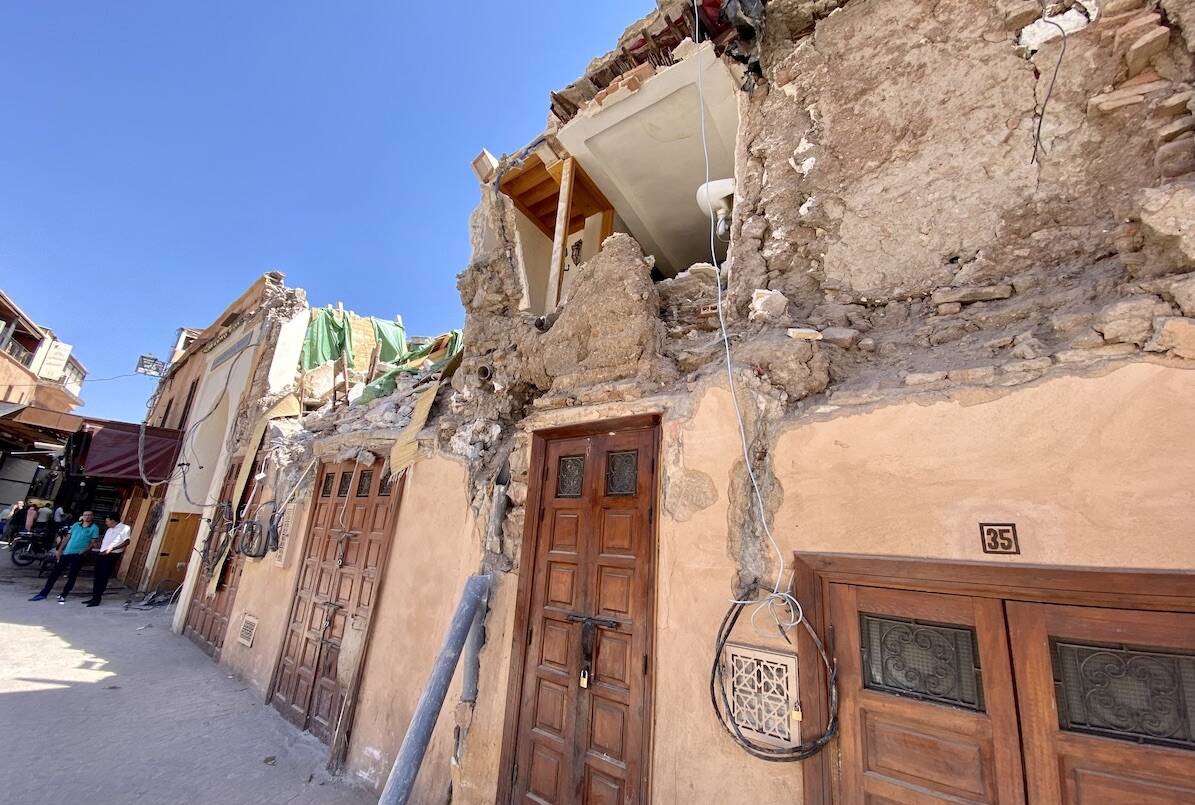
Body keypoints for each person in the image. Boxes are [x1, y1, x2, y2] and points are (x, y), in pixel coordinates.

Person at [29, 511, 99, 603]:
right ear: (82, 516)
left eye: (89, 515)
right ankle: (44, 593)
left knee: (72, 576)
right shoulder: (76, 525)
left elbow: (93, 542)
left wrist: (85, 550)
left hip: (78, 555)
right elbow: (67, 538)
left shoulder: (94, 528)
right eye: (85, 515)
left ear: (92, 516)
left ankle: (64, 594)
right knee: (54, 574)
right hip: (67, 552)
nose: (87, 517)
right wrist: (60, 550)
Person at [84, 514, 130, 607]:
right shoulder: (109, 530)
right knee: (97, 577)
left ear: (113, 520)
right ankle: (94, 597)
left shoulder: (125, 528)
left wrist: (112, 549)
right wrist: (99, 545)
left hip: (111, 555)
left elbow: (127, 542)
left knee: (103, 577)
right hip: (101, 554)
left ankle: (97, 599)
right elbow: (106, 542)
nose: (106, 523)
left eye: (107, 520)